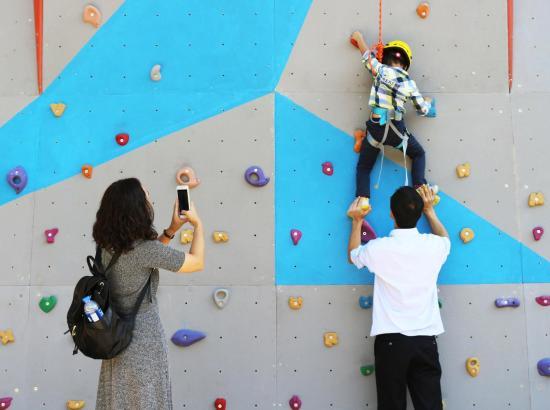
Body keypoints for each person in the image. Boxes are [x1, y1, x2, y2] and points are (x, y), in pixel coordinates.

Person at [92, 178, 204, 410]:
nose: (150, 199)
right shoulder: (144, 250)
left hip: (115, 337)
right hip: (143, 340)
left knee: (118, 401)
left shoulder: (106, 247)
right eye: (146, 195)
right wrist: (198, 225)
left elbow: (147, 258)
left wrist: (171, 230)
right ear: (136, 208)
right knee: (146, 401)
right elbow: (196, 263)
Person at [347, 185, 450, 410]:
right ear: (420, 210)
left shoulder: (379, 248)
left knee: (391, 405)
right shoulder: (434, 246)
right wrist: (430, 211)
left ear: (391, 214)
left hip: (391, 341)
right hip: (425, 339)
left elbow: (354, 256)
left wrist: (356, 221)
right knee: (431, 405)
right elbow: (445, 239)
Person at [350, 31, 436, 211]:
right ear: (406, 65)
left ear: (385, 58)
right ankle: (420, 187)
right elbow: (423, 111)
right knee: (418, 154)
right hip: (398, 132)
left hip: (375, 130)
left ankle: (362, 200)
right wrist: (428, 103)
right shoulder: (410, 84)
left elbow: (366, 56)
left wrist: (359, 38)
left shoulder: (380, 70)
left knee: (364, 167)